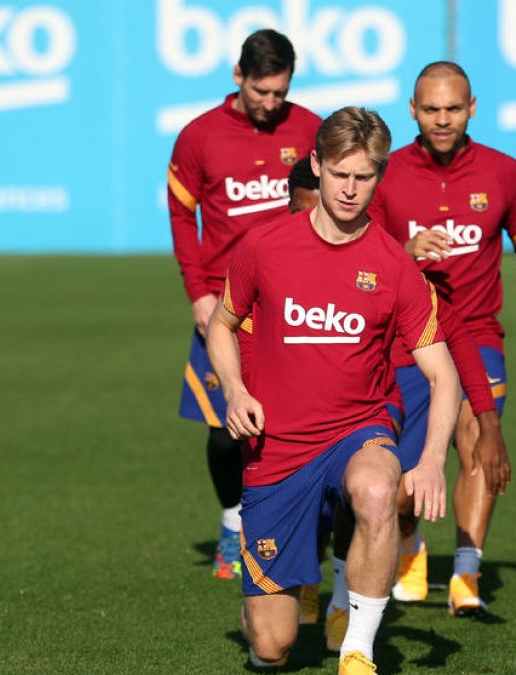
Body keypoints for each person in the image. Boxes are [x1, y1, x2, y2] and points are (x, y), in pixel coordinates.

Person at [207, 107, 460, 673]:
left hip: (357, 430)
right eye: (340, 174)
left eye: (364, 176)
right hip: (276, 451)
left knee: (376, 491)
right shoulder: (262, 247)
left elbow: (444, 374)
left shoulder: (395, 265)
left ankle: (357, 650)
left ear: (380, 175)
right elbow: (221, 324)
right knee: (272, 645)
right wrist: (235, 390)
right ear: (316, 165)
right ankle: (271, 605)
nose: (350, 189)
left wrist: (432, 460)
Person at [366, 61, 516, 616]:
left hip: (477, 334)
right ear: (412, 110)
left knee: (477, 438)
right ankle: (410, 544)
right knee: (397, 483)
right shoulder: (387, 173)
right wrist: (405, 253)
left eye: (453, 108)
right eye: (431, 110)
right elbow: (358, 259)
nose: (443, 119)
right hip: (404, 342)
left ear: (473, 108)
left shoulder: (504, 173)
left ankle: (466, 576)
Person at [167, 29, 322, 580]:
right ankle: (234, 522)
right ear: (239, 77)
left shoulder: (308, 129)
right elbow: (182, 218)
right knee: (222, 429)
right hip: (225, 308)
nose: (271, 103)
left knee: (302, 424)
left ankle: (295, 528)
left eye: (280, 92)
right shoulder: (198, 136)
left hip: (295, 303)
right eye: (261, 91)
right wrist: (198, 292)